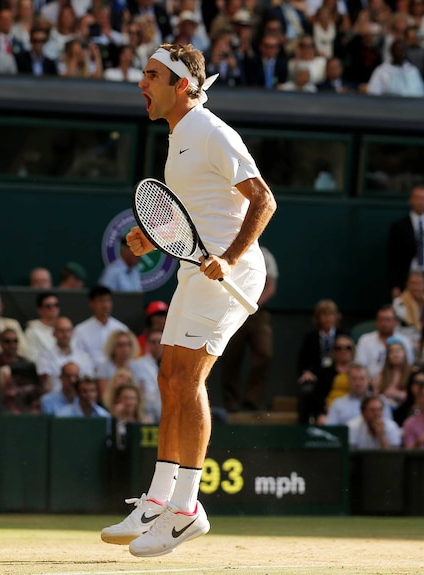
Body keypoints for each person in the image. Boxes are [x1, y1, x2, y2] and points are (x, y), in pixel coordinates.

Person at [101, 43, 276, 557]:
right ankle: (158, 501)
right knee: (168, 378)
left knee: (188, 379)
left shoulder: (209, 130)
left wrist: (230, 255)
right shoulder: (180, 134)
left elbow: (263, 199)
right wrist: (148, 235)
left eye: (151, 75)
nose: (141, 83)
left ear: (181, 85)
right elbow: (195, 213)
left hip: (229, 275)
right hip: (195, 272)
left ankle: (187, 509)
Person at [220, 246, 278, 412]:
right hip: (232, 309)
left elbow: (271, 286)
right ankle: (230, 401)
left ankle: (252, 399)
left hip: (257, 313)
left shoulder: (266, 256)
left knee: (264, 353)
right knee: (230, 355)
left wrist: (252, 304)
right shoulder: (229, 251)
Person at [386, 185, 424, 304]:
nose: (421, 201)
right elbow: (392, 257)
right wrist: (395, 285)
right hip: (407, 275)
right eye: (418, 198)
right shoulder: (399, 226)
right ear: (410, 200)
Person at [73, 286, 130, 369]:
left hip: (117, 374)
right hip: (91, 375)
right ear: (91, 303)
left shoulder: (121, 329)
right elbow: (78, 356)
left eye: (108, 300)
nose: (105, 305)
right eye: (101, 301)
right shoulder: (80, 330)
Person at [36, 316, 94, 393]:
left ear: (73, 333)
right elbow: (46, 385)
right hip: (56, 399)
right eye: (61, 331)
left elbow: (89, 381)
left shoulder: (83, 356)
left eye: (68, 330)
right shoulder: (45, 356)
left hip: (80, 398)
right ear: (53, 333)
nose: (65, 334)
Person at [354, 305, 413, 380]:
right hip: (369, 385)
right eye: (380, 319)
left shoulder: (405, 341)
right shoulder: (365, 340)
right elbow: (360, 366)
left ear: (395, 322)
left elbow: (408, 366)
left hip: (399, 385)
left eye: (387, 320)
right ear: (376, 322)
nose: (384, 323)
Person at [130, 328, 163, 423]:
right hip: (146, 410)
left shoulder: (173, 365)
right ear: (148, 344)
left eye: (160, 342)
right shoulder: (138, 364)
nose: (157, 345)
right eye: (153, 342)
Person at [23, 292, 60, 362]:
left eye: (56, 305)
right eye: (48, 306)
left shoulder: (65, 329)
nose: (53, 308)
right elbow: (31, 357)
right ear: (40, 310)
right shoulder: (32, 331)